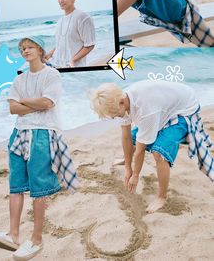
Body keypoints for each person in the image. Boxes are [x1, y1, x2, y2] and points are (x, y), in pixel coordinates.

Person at [0, 36, 79, 260]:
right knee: (15, 186)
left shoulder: (52, 75)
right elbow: (13, 109)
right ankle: (13, 234)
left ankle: (36, 240)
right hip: (19, 134)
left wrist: (26, 103)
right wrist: (34, 103)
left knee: (39, 188)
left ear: (40, 50)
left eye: (29, 47)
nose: (25, 50)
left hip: (43, 133)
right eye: (22, 48)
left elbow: (48, 104)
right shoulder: (19, 79)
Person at [90, 80, 214, 213]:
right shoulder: (120, 101)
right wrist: (127, 167)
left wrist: (135, 175)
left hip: (184, 110)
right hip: (163, 107)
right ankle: (126, 161)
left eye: (113, 113)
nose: (113, 116)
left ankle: (162, 197)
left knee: (159, 153)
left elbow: (140, 150)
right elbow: (126, 137)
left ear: (121, 102)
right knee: (133, 138)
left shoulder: (145, 109)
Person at [46, 0, 96, 68]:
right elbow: (62, 43)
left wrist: (73, 60)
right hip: (55, 65)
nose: (61, 0)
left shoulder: (83, 17)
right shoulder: (60, 21)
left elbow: (90, 44)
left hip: (74, 67)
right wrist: (50, 54)